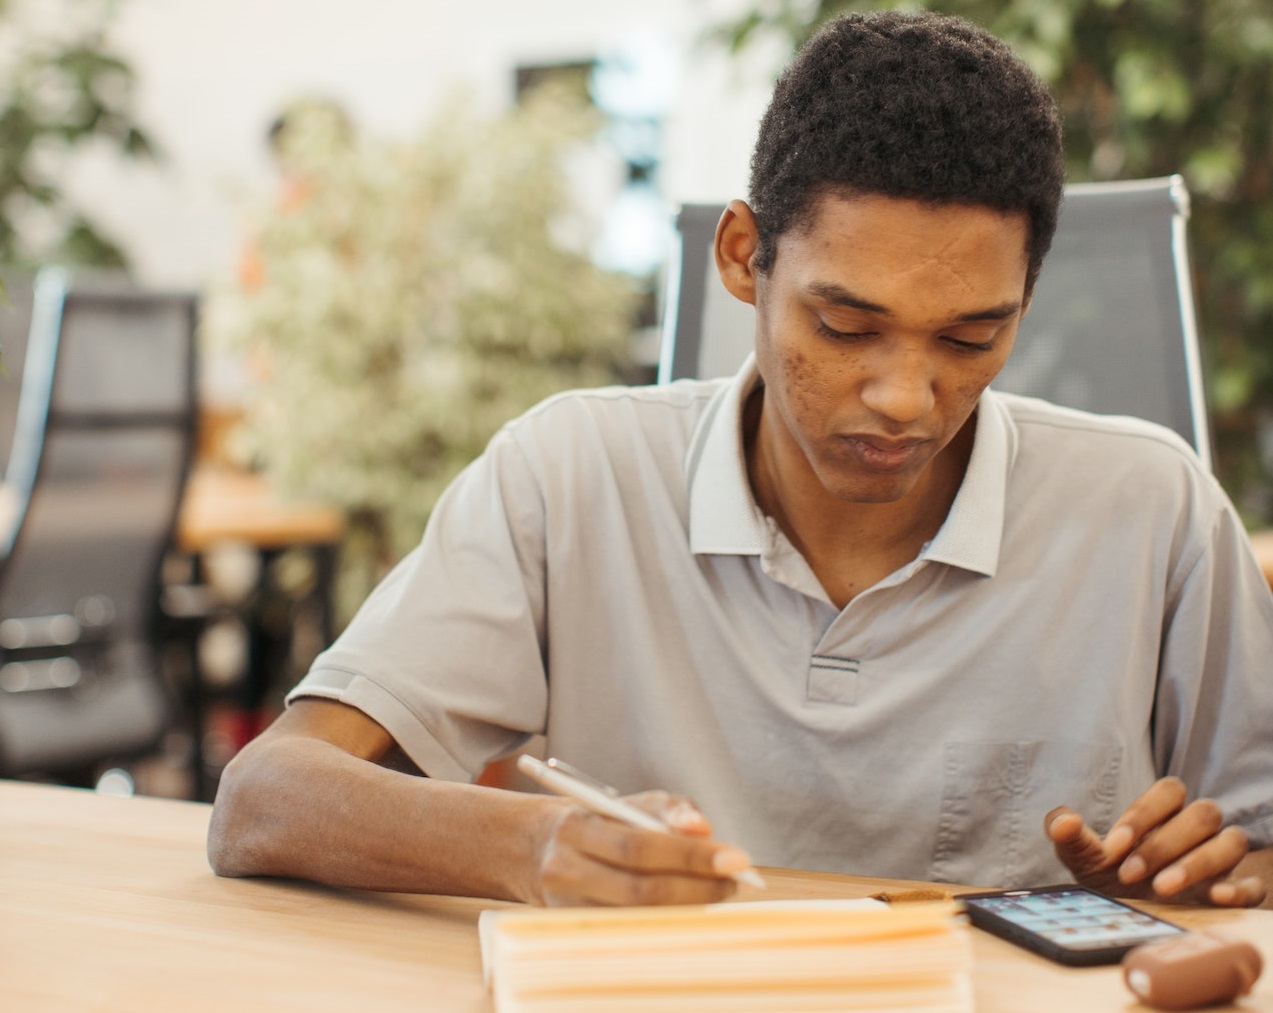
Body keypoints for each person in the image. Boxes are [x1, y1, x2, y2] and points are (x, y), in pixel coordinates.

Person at [207, 10, 1273, 909]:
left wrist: (1220, 875)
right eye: (845, 325)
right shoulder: (571, 473)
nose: (906, 397)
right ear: (740, 258)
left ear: (1024, 304)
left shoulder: (1152, 509)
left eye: (968, 337)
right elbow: (265, 797)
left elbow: (1260, 842)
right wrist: (530, 847)